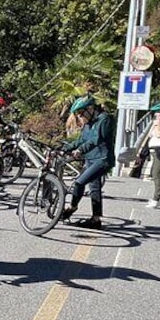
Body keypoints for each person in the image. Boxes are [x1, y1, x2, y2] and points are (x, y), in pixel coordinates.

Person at [61, 95, 115, 230]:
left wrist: (80, 150)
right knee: (94, 188)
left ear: (90, 108)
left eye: (80, 113)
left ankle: (72, 208)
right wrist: (65, 148)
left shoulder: (104, 120)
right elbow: (82, 139)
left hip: (102, 159)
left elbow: (96, 140)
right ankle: (96, 220)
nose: (79, 117)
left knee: (79, 182)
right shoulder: (89, 122)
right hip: (90, 158)